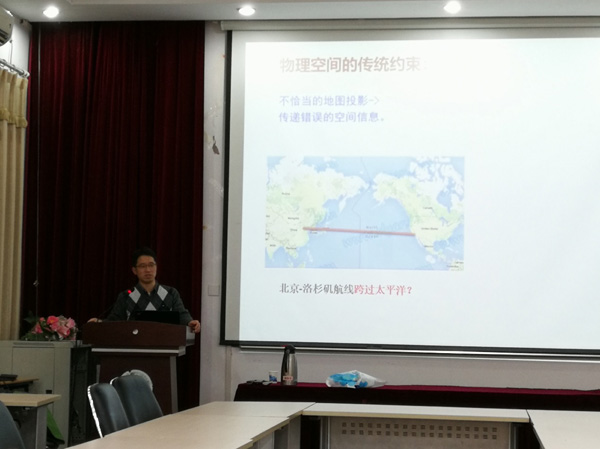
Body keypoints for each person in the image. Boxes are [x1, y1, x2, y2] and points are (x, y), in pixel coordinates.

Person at [88, 247, 201, 333]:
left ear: (156, 267)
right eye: (142, 266)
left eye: (151, 265)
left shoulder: (170, 293)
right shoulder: (126, 296)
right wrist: (99, 322)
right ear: (134, 270)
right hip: (133, 348)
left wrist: (190, 322)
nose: (148, 270)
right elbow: (115, 321)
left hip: (165, 346)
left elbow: (181, 314)